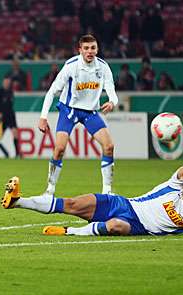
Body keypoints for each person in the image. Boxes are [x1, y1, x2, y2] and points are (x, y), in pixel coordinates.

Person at [1, 163, 183, 237]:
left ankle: (68, 232)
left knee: (115, 228)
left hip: (137, 226)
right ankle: (17, 201)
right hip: (125, 204)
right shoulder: (173, 186)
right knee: (74, 203)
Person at [38, 34, 118, 195]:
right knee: (59, 149)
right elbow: (52, 91)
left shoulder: (103, 67)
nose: (90, 51)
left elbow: (112, 91)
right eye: (86, 48)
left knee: (109, 146)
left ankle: (107, 191)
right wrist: (43, 117)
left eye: (93, 48)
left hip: (90, 112)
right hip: (69, 110)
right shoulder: (71, 66)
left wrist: (112, 102)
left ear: (97, 49)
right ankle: (50, 189)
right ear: (80, 50)